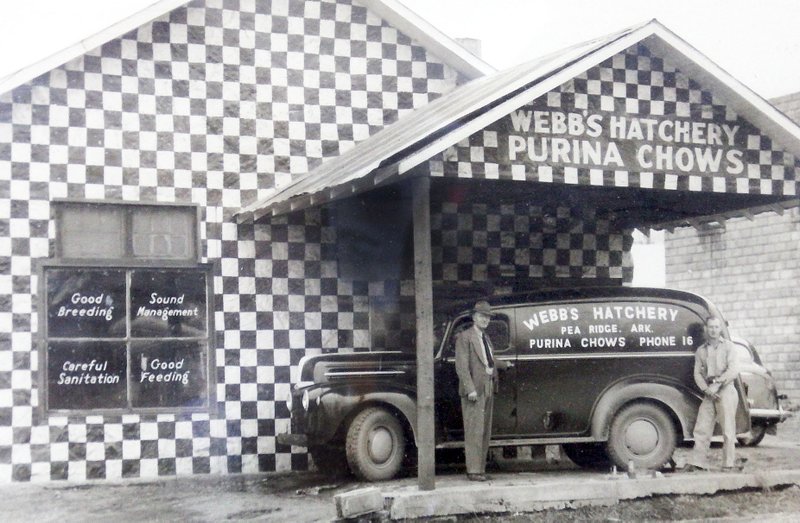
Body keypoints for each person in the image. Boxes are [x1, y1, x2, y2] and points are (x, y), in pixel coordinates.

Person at [455, 300, 513, 481]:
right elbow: (462, 367)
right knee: (474, 430)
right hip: (474, 391)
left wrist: (504, 365)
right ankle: (473, 471)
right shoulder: (465, 337)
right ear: (474, 317)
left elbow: (489, 360)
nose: (485, 320)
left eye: (487, 317)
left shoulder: (485, 338)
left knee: (484, 431)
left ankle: (480, 470)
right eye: (482, 316)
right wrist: (470, 388)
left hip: (488, 387)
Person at [683, 316, 740, 472]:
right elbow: (697, 374)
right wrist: (707, 390)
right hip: (709, 392)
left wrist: (718, 384)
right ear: (706, 329)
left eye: (716, 327)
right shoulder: (701, 351)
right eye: (710, 327)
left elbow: (733, 370)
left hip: (726, 390)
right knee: (702, 427)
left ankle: (728, 464)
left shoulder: (729, 347)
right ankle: (698, 462)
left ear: (720, 329)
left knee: (728, 429)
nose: (713, 330)